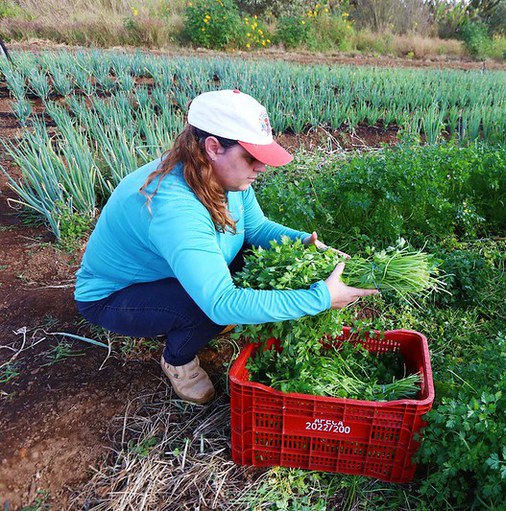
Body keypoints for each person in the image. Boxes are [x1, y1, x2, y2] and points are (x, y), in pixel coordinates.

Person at [74, 89, 378, 404]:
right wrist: (321, 298)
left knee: (258, 264)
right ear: (214, 147)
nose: (261, 167)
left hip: (167, 272)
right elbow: (220, 302)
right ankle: (177, 360)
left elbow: (256, 228)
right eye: (251, 156)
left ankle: (179, 312)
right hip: (115, 295)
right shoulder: (175, 207)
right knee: (209, 311)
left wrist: (303, 242)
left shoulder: (222, 175)